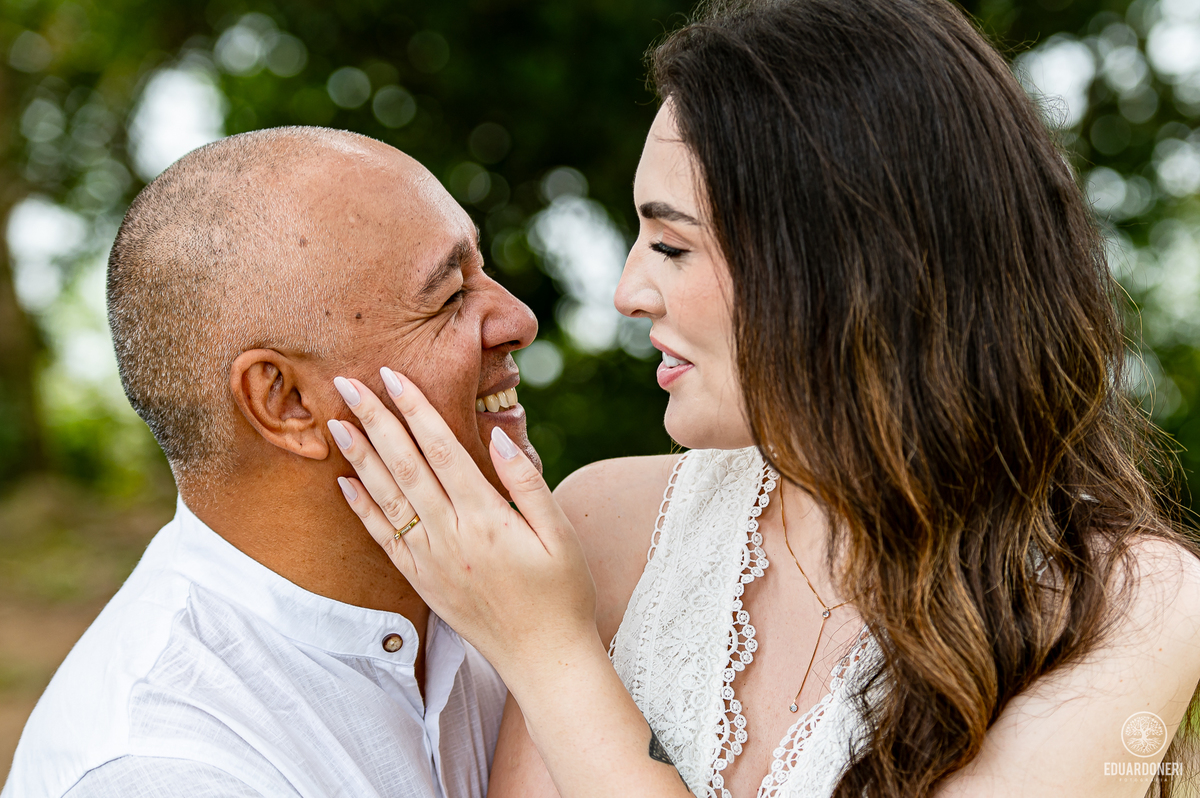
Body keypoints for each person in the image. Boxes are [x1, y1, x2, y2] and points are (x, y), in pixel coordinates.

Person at [330, 0, 1200, 796]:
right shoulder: (606, 527)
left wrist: (549, 653)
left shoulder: (1133, 602)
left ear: (843, 265)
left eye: (672, 245)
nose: (628, 293)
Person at [1, 126, 537, 797]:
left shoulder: (538, 593)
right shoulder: (162, 767)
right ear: (285, 402)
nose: (519, 319)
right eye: (451, 297)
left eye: (482, 272)